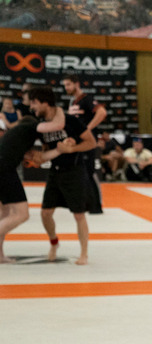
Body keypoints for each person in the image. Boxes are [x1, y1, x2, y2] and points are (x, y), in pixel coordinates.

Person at [28, 87, 96, 265]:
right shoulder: (42, 125)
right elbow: (45, 150)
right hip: (55, 172)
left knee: (79, 214)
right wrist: (39, 158)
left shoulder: (71, 121)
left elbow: (91, 142)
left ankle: (84, 254)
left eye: (34, 103)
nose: (31, 108)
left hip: (74, 171)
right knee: (45, 213)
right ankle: (54, 243)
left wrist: (72, 148)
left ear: (44, 102)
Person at [0, 115, 51, 263]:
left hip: (3, 168)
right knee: (22, 214)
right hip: (4, 169)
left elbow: (29, 156)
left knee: (5, 213)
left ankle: (0, 255)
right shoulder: (30, 129)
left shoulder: (15, 136)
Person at [61, 73, 106, 214]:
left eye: (68, 84)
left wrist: (88, 129)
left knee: (89, 172)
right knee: (80, 172)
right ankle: (85, 203)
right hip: (77, 143)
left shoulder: (87, 99)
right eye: (64, 85)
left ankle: (95, 206)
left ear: (76, 84)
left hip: (88, 142)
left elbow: (102, 113)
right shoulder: (73, 102)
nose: (66, 88)